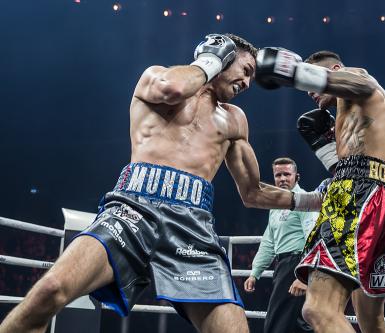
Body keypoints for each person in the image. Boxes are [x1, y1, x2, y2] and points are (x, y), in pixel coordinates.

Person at [0, 34, 297, 333]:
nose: (247, 83)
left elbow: (253, 192)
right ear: (223, 57)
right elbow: (174, 88)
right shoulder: (156, 77)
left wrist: (315, 199)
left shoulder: (235, 119)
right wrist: (210, 60)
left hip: (192, 227)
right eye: (245, 71)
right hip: (132, 209)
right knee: (49, 290)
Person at [255, 48, 385, 333]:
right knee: (371, 321)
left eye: (314, 84)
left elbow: (361, 82)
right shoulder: (354, 114)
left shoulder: (357, 79)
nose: (311, 93)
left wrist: (294, 71)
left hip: (358, 197)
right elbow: (350, 170)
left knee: (318, 309)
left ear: (334, 70)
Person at [244, 157, 317, 333]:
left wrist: (305, 275)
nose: (282, 178)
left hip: (297, 264)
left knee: (278, 323)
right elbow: (269, 241)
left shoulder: (304, 200)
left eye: (286, 174)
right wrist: (255, 272)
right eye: (278, 175)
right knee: (296, 324)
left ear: (296, 177)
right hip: (284, 265)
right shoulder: (275, 206)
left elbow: (313, 237)